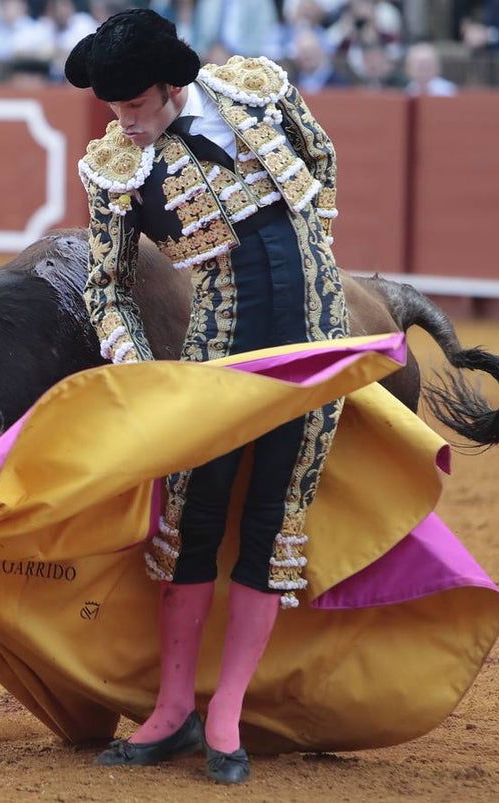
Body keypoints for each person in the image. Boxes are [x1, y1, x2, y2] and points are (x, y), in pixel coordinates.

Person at [64, 8, 349, 785]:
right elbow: (107, 289)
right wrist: (134, 368)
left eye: (132, 106)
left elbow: (319, 160)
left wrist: (316, 263)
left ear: (170, 86)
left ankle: (224, 714)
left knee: (271, 518)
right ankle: (170, 709)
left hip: (314, 339)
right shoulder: (114, 170)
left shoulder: (252, 91)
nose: (121, 123)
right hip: (218, 349)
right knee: (193, 519)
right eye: (110, 108)